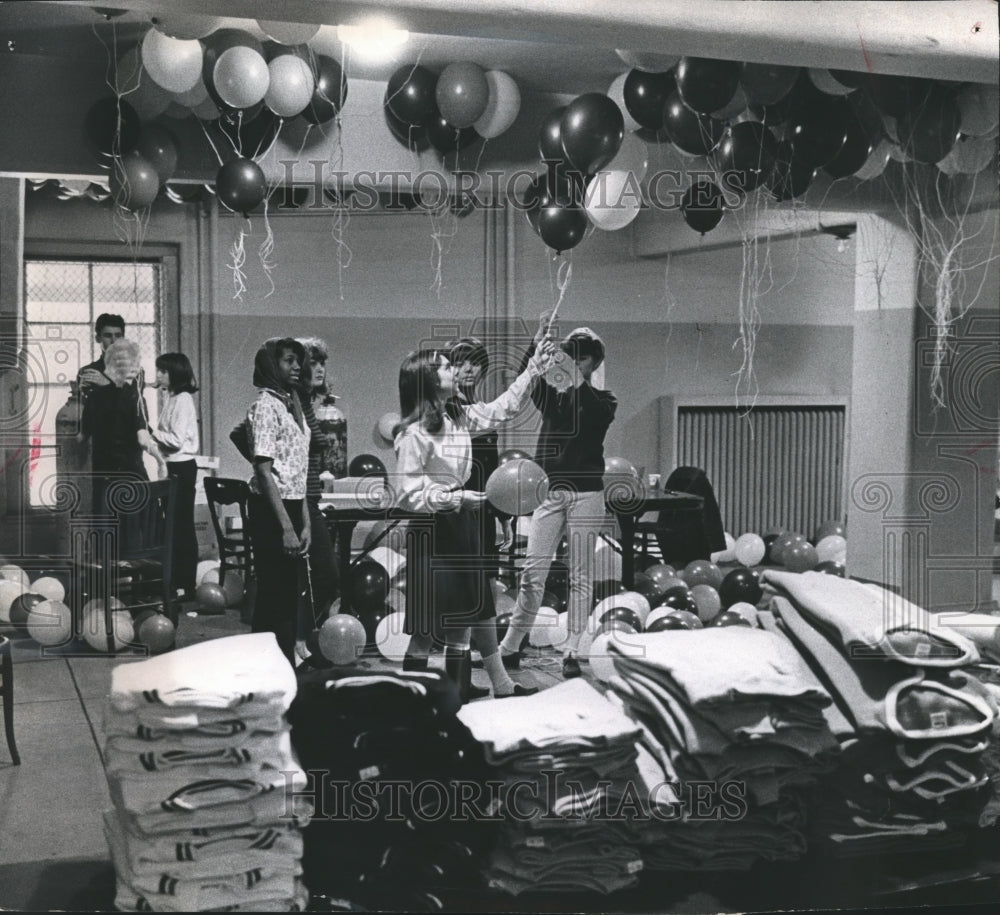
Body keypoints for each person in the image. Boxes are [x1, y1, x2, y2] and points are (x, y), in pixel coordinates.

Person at [394, 336, 554, 703]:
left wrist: (532, 368)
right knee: (423, 629)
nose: (454, 369)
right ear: (428, 379)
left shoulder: (458, 416)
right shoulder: (413, 433)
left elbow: (505, 407)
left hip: (461, 528)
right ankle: (406, 702)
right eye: (446, 366)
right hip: (432, 531)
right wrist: (453, 498)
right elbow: (407, 494)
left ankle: (455, 700)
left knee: (461, 627)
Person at [499, 319, 617, 679]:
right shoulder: (555, 398)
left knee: (579, 576)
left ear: (593, 364)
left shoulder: (603, 401)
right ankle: (510, 646)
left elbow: (587, 406)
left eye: (578, 358)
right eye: (570, 356)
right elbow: (526, 380)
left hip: (586, 495)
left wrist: (572, 368)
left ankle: (571, 650)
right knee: (532, 573)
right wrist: (535, 350)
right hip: (550, 492)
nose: (570, 362)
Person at [447, 336, 514, 698]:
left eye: (475, 363)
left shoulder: (478, 408)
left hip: (482, 512)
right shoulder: (450, 410)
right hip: (458, 510)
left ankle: (483, 681)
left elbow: (492, 470)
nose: (469, 369)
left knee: (482, 596)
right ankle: (493, 682)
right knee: (473, 600)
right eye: (461, 362)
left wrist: (501, 515)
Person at [243, 338, 311, 664]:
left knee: (285, 598)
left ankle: (270, 670)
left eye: (298, 361)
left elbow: (299, 472)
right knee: (276, 597)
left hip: (293, 505)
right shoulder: (266, 406)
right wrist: (286, 527)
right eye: (288, 361)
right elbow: (265, 470)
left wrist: (305, 521)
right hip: (272, 510)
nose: (296, 366)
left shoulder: (292, 404)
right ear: (272, 366)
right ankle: (279, 674)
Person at [77, 313, 153, 514]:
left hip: (129, 454)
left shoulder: (136, 370)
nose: (113, 341)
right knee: (104, 516)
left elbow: (132, 406)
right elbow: (89, 415)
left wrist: (105, 385)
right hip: (100, 454)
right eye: (107, 335)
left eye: (118, 336)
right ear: (98, 339)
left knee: (135, 517)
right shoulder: (88, 371)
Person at [294, 336, 341, 658]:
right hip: (298, 500)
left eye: (322, 362)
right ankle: (298, 642)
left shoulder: (308, 402)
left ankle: (302, 640)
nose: (320, 368)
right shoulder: (292, 400)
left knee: (322, 577)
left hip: (311, 497)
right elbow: (242, 434)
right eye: (314, 362)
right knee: (321, 575)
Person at [149, 352, 200, 601]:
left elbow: (176, 440)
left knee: (182, 527)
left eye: (163, 371)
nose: (158, 375)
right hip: (173, 466)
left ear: (175, 373)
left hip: (182, 467)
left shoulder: (183, 399)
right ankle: (177, 581)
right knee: (173, 526)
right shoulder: (171, 398)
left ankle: (186, 585)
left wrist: (151, 432)